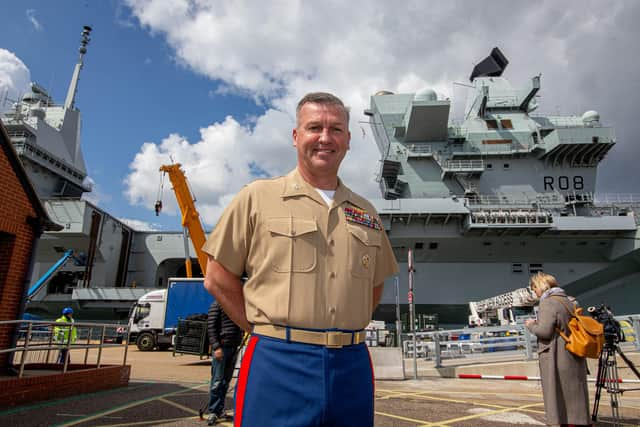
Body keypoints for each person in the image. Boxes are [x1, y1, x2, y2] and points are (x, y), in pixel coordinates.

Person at [202, 92, 398, 427]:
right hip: (278, 360)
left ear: (348, 140)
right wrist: (260, 328)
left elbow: (375, 285)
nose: (325, 137)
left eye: (336, 129)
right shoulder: (257, 197)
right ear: (296, 137)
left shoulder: (366, 212)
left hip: (351, 364)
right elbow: (217, 277)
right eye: (314, 127)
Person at [524, 272, 591, 427]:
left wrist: (531, 325)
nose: (535, 292)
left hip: (557, 355)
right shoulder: (570, 300)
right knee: (576, 394)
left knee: (557, 395)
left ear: (541, 286)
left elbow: (545, 332)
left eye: (535, 289)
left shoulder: (548, 303)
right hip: (574, 353)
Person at [206, 300, 243, 426]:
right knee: (217, 381)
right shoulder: (216, 305)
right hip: (222, 348)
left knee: (225, 382)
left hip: (233, 348)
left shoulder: (234, 306)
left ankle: (219, 409)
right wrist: (216, 347)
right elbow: (211, 327)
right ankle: (213, 411)